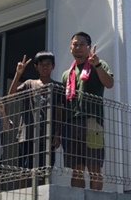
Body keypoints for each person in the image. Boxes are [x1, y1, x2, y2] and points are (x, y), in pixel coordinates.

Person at [62, 32, 114, 190]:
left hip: (93, 121)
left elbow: (110, 83)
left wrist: (96, 65)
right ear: (70, 48)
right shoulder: (67, 74)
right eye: (75, 44)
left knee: (94, 167)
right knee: (77, 169)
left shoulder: (98, 64)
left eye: (82, 44)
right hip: (72, 122)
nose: (78, 47)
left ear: (89, 47)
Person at [9, 52, 61, 184]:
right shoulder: (29, 84)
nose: (45, 67)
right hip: (27, 135)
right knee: (25, 171)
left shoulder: (58, 87)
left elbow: (59, 111)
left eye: (48, 64)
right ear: (36, 67)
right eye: (41, 64)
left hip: (47, 137)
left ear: (53, 66)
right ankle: (24, 196)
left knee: (44, 172)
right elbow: (11, 96)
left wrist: (57, 134)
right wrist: (18, 74)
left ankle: (42, 196)